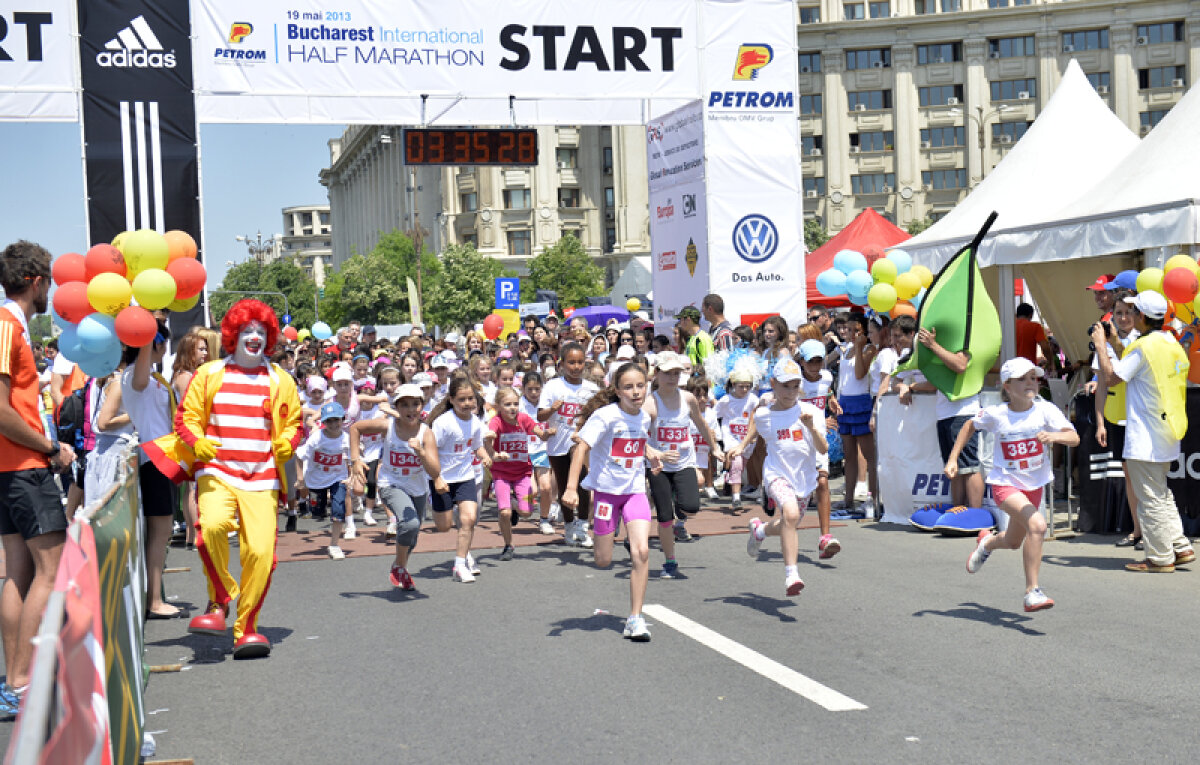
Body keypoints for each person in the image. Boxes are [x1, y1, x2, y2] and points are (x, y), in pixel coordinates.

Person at [145, 300, 302, 659]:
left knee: (261, 554)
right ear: (233, 335)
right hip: (217, 470)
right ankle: (220, 599)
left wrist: (287, 442)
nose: (254, 338)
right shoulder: (210, 374)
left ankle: (247, 627)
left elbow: (294, 423)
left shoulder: (280, 380)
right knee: (210, 529)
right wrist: (197, 442)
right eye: (247, 331)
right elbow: (185, 419)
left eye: (261, 332)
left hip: (262, 478)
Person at [0, 241, 74, 714]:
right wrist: (50, 447)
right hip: (22, 466)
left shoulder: (12, 326)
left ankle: (13, 680)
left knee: (19, 571)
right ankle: (21, 678)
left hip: (12, 467)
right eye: (48, 278)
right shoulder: (7, 325)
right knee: (50, 568)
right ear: (35, 281)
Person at [948, 359, 1078, 611]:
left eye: (1033, 378)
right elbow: (968, 426)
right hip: (1004, 485)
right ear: (1006, 385)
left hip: (1034, 486)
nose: (1030, 383)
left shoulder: (1045, 410)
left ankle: (986, 543)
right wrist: (953, 458)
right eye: (1022, 379)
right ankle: (1032, 592)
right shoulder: (997, 414)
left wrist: (1055, 436)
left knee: (1013, 541)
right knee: (1038, 526)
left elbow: (1073, 437)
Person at [1090, 292, 1194, 573]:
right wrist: (1113, 342)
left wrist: (1101, 345)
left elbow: (1112, 377)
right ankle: (1179, 546)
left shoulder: (1143, 346)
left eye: (1134, 311)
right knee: (1160, 492)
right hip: (1167, 429)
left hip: (1146, 434)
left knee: (1149, 497)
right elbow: (1138, 366)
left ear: (1142, 317)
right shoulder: (1169, 341)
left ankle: (1160, 557)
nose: (1129, 315)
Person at [563, 362, 662, 641]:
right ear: (617, 391)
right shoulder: (605, 417)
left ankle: (635, 618)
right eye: (628, 387)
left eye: (640, 386)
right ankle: (605, 538)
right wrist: (572, 488)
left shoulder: (644, 417)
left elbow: (637, 442)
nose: (635, 392)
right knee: (603, 560)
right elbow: (581, 447)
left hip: (634, 492)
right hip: (606, 495)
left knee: (641, 552)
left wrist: (650, 456)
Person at [729, 357, 828, 596]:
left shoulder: (811, 411)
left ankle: (760, 531)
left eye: (795, 386)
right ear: (773, 384)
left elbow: (823, 449)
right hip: (776, 474)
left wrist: (811, 427)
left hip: (804, 478)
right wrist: (742, 445)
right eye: (785, 386)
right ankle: (791, 575)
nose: (791, 392)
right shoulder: (765, 415)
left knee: (789, 523)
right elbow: (756, 423)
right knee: (790, 514)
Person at [121, 321, 184, 620]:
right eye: (161, 343)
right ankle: (154, 600)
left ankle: (155, 593)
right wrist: (145, 332)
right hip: (153, 460)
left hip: (164, 459)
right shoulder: (137, 376)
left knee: (160, 533)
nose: (164, 349)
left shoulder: (153, 377)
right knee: (159, 533)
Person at [350, 383, 440, 590]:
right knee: (409, 524)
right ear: (397, 407)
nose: (411, 410)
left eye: (415, 404)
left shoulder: (426, 433)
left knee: (412, 535)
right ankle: (399, 566)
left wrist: (421, 452)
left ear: (422, 405)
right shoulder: (387, 425)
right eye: (405, 405)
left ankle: (399, 566)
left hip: (418, 488)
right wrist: (355, 459)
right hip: (390, 483)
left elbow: (435, 472)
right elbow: (356, 428)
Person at [643, 352, 723, 575]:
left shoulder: (687, 398)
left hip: (684, 461)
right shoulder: (649, 404)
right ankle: (670, 562)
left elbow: (701, 423)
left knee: (691, 506)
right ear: (657, 374)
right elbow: (637, 439)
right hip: (659, 467)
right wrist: (657, 453)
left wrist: (715, 448)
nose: (672, 378)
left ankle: (670, 499)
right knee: (665, 516)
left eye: (677, 373)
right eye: (668, 373)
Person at [427, 376, 492, 583]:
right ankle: (435, 502)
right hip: (442, 478)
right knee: (444, 526)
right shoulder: (443, 423)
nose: (467, 404)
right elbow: (431, 452)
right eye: (462, 400)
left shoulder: (475, 422)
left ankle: (461, 563)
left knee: (469, 519)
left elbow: (476, 445)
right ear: (452, 400)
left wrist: (486, 455)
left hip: (465, 477)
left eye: (471, 399)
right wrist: (436, 478)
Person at [916, 325, 986, 511]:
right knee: (953, 466)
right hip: (945, 413)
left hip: (963, 412)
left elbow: (960, 365)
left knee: (969, 465)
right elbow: (937, 382)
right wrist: (910, 386)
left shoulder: (966, 345)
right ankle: (958, 510)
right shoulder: (946, 350)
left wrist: (933, 345)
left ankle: (975, 514)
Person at [538, 343, 599, 548]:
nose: (576, 366)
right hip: (557, 443)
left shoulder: (592, 389)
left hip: (580, 442)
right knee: (564, 486)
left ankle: (582, 525)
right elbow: (540, 415)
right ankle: (569, 525)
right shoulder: (553, 386)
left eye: (580, 362)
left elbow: (600, 415)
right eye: (571, 362)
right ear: (561, 364)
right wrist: (553, 409)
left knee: (581, 480)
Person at [486, 387, 548, 560]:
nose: (512, 408)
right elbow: (489, 437)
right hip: (501, 474)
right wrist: (494, 450)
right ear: (498, 406)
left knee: (527, 512)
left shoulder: (524, 419)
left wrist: (547, 434)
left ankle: (515, 504)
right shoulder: (496, 421)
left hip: (522, 473)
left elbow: (540, 433)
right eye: (507, 404)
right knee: (504, 513)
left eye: (515, 404)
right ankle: (508, 545)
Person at [797, 339, 843, 558]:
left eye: (819, 361)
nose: (815, 366)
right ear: (802, 362)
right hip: (797, 440)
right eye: (811, 362)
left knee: (822, 481)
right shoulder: (795, 383)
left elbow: (826, 393)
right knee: (799, 495)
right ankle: (769, 528)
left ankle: (825, 536)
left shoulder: (827, 377)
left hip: (819, 439)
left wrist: (832, 402)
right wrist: (815, 420)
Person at [296, 402, 352, 559]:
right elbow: (299, 457)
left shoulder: (346, 439)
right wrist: (300, 479)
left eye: (336, 420)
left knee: (339, 510)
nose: (333, 424)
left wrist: (352, 476)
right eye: (329, 421)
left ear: (343, 419)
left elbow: (352, 459)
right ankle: (317, 507)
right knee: (317, 513)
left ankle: (334, 545)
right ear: (323, 422)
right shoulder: (316, 439)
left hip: (338, 478)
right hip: (316, 480)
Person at [716, 369, 759, 510]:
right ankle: (736, 497)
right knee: (737, 462)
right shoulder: (726, 401)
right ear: (733, 384)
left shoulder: (753, 400)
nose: (745, 389)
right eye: (741, 386)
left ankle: (729, 477)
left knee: (741, 465)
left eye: (748, 386)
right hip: (731, 437)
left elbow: (759, 416)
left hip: (747, 439)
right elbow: (714, 415)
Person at [1013, 303, 1059, 374]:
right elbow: (1045, 347)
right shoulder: (1035, 326)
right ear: (1031, 315)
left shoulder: (1008, 327)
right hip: (1027, 371)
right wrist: (1051, 363)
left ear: (1017, 314)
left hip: (1010, 370)